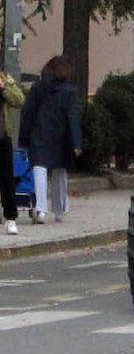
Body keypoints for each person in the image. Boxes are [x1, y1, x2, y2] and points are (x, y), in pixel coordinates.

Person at [18, 56, 81, 225]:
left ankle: (41, 209)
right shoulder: (69, 92)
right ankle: (59, 210)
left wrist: (23, 138)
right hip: (61, 138)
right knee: (60, 174)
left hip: (39, 135)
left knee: (39, 170)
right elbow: (73, 118)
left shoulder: (37, 88)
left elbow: (28, 114)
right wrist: (76, 142)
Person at [0, 73, 24, 234]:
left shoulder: (5, 78)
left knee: (7, 178)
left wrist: (4, 89)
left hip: (2, 136)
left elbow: (19, 100)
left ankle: (10, 218)